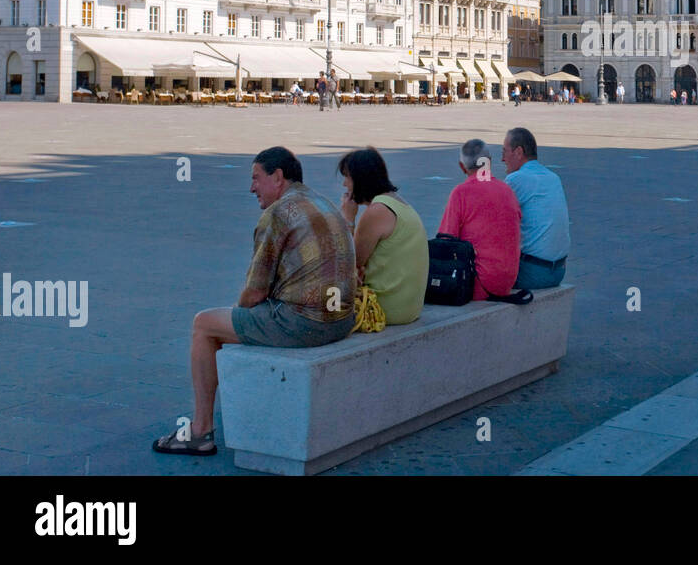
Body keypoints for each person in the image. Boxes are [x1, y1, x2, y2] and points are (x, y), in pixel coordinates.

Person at [152, 146, 355, 456]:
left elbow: (254, 293)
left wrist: (241, 317)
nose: (251, 188)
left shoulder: (279, 213)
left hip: (306, 324)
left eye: (256, 178)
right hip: (341, 320)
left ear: (278, 177)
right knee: (239, 320)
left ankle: (200, 430)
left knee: (204, 325)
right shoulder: (322, 202)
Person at [337, 147, 428, 326]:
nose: (344, 185)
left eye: (347, 177)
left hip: (384, 308)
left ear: (360, 178)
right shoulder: (397, 203)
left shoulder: (377, 212)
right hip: (408, 307)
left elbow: (348, 263)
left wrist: (348, 218)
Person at [438, 139, 522, 299]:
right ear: (489, 162)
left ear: (462, 166)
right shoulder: (507, 190)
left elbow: (446, 240)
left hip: (477, 284)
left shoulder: (461, 193)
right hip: (507, 281)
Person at [502, 128, 571, 289]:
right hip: (558, 271)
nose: (502, 159)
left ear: (519, 152)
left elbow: (493, 223)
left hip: (533, 273)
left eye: (504, 152)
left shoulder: (516, 179)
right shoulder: (553, 178)